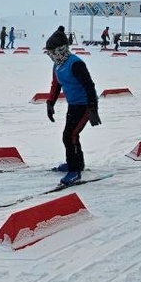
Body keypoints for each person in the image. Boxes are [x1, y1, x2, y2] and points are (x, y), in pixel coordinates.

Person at [42, 27, 101, 187]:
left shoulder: (75, 64)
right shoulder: (57, 65)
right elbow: (56, 85)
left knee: (69, 136)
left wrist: (92, 107)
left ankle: (74, 171)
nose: (50, 55)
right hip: (73, 105)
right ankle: (77, 163)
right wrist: (50, 103)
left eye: (51, 52)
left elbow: (89, 86)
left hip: (85, 105)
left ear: (60, 50)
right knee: (71, 135)